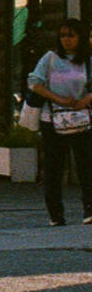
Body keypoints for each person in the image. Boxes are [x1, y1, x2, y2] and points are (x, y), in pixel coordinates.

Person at [29, 17, 92, 227]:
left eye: (71, 35)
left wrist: (85, 100)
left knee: (86, 166)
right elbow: (35, 82)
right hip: (53, 119)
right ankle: (55, 213)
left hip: (81, 119)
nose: (66, 40)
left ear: (80, 37)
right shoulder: (51, 58)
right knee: (54, 168)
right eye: (63, 35)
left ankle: (89, 209)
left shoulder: (87, 61)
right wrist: (58, 98)